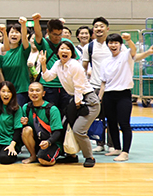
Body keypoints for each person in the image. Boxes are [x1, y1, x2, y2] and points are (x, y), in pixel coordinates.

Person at [39, 41, 100, 167]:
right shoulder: (58, 64)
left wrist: (77, 106)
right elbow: (48, 77)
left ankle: (89, 157)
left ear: (72, 53)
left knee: (78, 130)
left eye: (67, 49)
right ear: (58, 52)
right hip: (75, 100)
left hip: (88, 101)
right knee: (65, 126)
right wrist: (43, 64)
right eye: (62, 48)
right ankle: (71, 155)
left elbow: (79, 87)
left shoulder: (75, 65)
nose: (64, 51)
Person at [99, 33, 153, 162]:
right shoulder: (105, 62)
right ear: (107, 45)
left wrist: (129, 40)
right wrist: (99, 98)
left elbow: (134, 51)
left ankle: (125, 151)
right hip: (108, 94)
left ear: (120, 44)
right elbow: (103, 82)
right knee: (111, 123)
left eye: (116, 42)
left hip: (123, 94)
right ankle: (117, 148)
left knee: (124, 123)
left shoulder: (126, 55)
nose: (113, 45)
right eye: (111, 43)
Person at [82, 17, 111, 152]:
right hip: (94, 85)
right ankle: (100, 143)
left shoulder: (114, 44)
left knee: (111, 116)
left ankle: (112, 144)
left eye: (101, 26)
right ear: (93, 30)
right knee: (96, 116)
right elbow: (84, 66)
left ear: (107, 28)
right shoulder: (89, 46)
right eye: (96, 27)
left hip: (111, 86)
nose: (99, 29)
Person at [20, 81, 63, 166]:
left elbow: (58, 132)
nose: (34, 93)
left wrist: (49, 142)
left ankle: (51, 155)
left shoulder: (52, 109)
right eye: (31, 90)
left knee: (43, 160)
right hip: (37, 142)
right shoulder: (26, 107)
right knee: (26, 130)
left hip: (51, 142)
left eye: (37, 90)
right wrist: (24, 124)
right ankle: (33, 156)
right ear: (28, 93)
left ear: (43, 93)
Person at [0, 82, 23, 164]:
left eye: (9, 91)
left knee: (4, 158)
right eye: (3, 91)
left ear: (12, 93)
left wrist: (12, 145)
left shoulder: (17, 108)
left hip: (10, 140)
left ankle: (14, 151)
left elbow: (18, 128)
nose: (6, 94)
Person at [0, 17, 31, 106]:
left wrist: (23, 24)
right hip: (7, 91)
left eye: (17, 32)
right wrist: (4, 89)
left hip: (21, 90)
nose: (14, 34)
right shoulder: (1, 51)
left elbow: (25, 39)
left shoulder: (23, 50)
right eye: (12, 32)